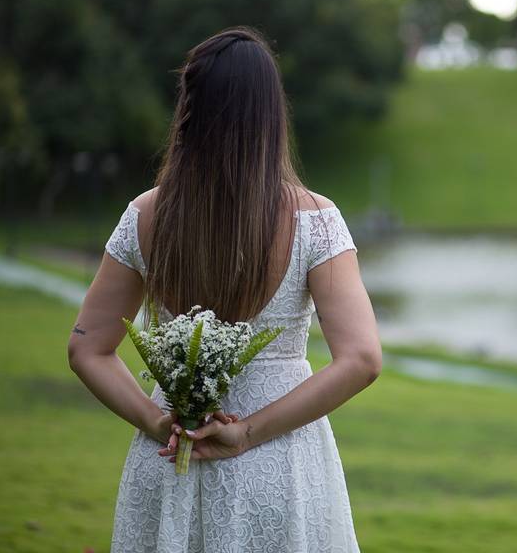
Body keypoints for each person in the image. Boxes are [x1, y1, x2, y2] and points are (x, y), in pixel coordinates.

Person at [67, 27, 381, 552]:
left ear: (188, 107)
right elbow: (362, 359)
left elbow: (86, 347)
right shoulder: (316, 221)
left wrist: (158, 421)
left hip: (171, 457)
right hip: (279, 464)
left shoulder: (146, 215)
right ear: (271, 115)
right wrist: (248, 433)